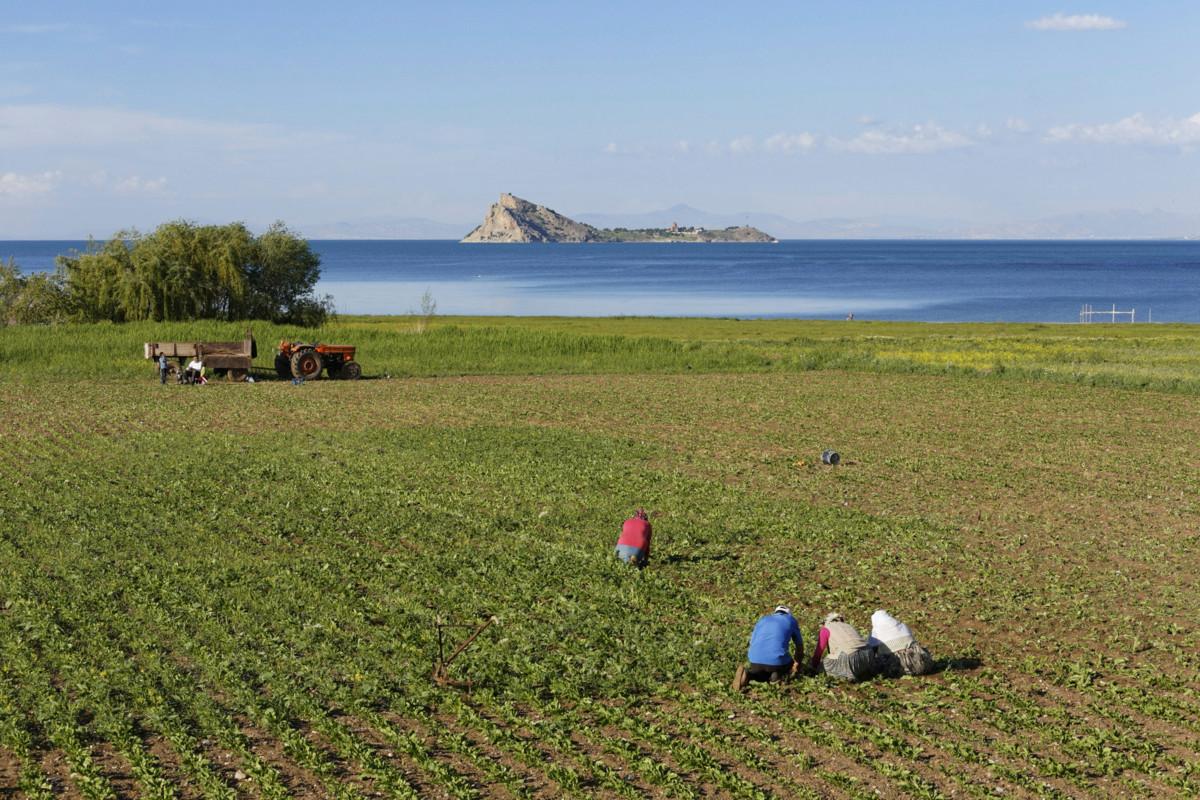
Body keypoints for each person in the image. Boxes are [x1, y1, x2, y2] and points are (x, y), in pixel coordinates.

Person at [732, 606, 803, 691]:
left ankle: (749, 674)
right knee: (788, 664)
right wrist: (797, 664)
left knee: (761, 672)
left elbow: (752, 642)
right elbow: (799, 646)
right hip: (777, 662)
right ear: (788, 614)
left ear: (775, 613)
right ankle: (776, 676)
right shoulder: (791, 620)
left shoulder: (763, 619)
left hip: (755, 660)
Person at [811, 612, 878, 682]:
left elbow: (819, 651)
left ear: (826, 622)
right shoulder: (848, 625)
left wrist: (814, 666)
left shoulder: (826, 629)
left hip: (849, 656)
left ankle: (846, 675)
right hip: (868, 654)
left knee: (824, 665)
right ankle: (862, 672)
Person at [867, 609, 935, 677]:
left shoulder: (875, 632)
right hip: (920, 662)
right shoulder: (903, 625)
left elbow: (871, 652)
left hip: (898, 665)